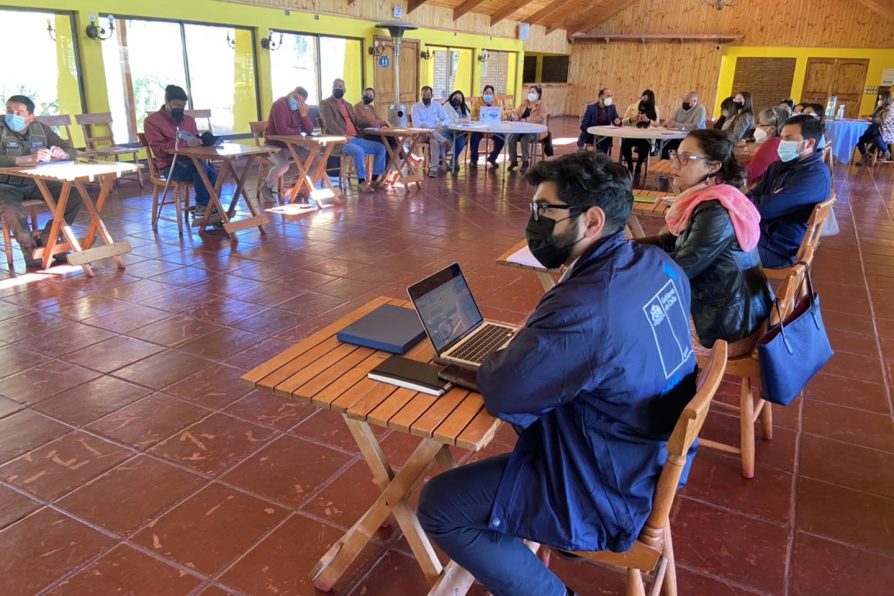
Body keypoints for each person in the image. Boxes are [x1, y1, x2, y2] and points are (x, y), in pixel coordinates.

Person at [417, 150, 698, 596]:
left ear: (591, 222)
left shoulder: (587, 305)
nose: (533, 222)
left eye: (544, 211)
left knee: (439, 504)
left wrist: (513, 352)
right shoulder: (657, 264)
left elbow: (506, 394)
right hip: (649, 455)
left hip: (604, 486)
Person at [641, 129, 773, 350]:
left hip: (730, 324)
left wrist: (629, 267)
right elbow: (674, 241)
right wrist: (627, 248)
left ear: (714, 167)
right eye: (675, 155)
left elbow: (682, 268)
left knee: (640, 333)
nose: (675, 165)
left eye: (686, 159)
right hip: (735, 308)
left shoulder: (716, 210)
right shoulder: (711, 197)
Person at [0, 94, 79, 268]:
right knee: (11, 209)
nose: (12, 116)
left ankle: (50, 239)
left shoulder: (41, 129)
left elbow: (70, 150)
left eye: (19, 112)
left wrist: (63, 153)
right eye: (9, 111)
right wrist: (25, 159)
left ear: (30, 117)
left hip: (36, 181)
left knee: (73, 194)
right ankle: (29, 249)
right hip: (5, 185)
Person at [748, 114, 831, 268]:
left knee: (719, 250)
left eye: (789, 139)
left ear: (809, 143)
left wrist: (762, 199)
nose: (782, 143)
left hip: (778, 249)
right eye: (782, 138)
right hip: (761, 234)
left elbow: (765, 209)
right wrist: (766, 198)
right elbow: (752, 195)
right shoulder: (781, 166)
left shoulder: (814, 176)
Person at [144, 85, 219, 217]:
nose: (180, 109)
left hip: (192, 162)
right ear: (166, 102)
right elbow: (159, 151)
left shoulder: (189, 120)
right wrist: (184, 143)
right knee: (202, 169)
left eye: (183, 106)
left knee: (214, 174)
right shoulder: (152, 122)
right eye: (176, 105)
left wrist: (203, 141)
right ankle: (204, 206)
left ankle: (212, 208)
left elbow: (195, 141)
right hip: (170, 166)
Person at [319, 78, 386, 192]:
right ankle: (361, 182)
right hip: (338, 142)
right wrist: (344, 136)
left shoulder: (349, 105)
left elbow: (357, 121)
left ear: (345, 90)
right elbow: (328, 122)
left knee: (381, 148)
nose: (338, 88)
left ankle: (374, 179)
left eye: (340, 86)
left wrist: (371, 123)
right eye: (336, 86)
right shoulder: (325, 103)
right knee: (358, 151)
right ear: (332, 88)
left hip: (355, 138)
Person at [261, 86, 314, 202]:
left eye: (300, 101)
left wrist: (304, 115)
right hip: (275, 145)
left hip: (292, 146)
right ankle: (266, 186)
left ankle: (298, 184)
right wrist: (299, 131)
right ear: (291, 93)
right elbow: (282, 131)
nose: (296, 102)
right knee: (283, 165)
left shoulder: (299, 109)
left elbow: (310, 130)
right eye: (295, 98)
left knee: (314, 158)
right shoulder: (280, 105)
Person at [411, 85, 451, 177]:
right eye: (424, 95)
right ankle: (444, 140)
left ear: (432, 96)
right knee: (425, 126)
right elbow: (416, 124)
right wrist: (428, 130)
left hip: (434, 133)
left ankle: (433, 170)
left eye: (428, 96)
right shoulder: (415, 107)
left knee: (434, 142)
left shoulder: (436, 105)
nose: (426, 97)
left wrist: (440, 125)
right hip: (420, 134)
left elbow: (446, 119)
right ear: (421, 95)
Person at [507, 85, 548, 172]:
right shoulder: (524, 103)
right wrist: (515, 116)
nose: (530, 94)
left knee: (525, 139)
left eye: (533, 92)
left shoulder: (541, 105)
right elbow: (517, 112)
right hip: (521, 129)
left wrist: (526, 120)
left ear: (538, 95)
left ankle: (525, 161)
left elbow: (541, 117)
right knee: (511, 138)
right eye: (529, 92)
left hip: (535, 131)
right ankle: (513, 161)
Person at [620, 89, 660, 180]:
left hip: (645, 136)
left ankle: (639, 166)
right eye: (643, 98)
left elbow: (657, 124)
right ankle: (629, 165)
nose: (644, 101)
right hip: (632, 134)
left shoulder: (655, 109)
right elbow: (623, 121)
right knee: (625, 145)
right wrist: (632, 119)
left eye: (647, 100)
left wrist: (648, 121)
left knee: (645, 146)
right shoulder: (632, 106)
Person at [746, 107, 787, 186]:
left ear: (772, 129)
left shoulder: (773, 143)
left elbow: (751, 173)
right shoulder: (778, 141)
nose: (756, 127)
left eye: (760, 124)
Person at [661, 90, 707, 158]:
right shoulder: (680, 109)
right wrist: (667, 123)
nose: (685, 101)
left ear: (695, 101)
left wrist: (675, 125)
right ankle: (665, 166)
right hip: (679, 136)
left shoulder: (700, 110)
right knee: (664, 145)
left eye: (687, 99)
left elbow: (695, 126)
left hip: (694, 138)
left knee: (674, 146)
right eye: (684, 99)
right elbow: (672, 119)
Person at [469, 85, 504, 168]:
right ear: (483, 93)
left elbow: (502, 116)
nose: (488, 95)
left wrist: (500, 117)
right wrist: (478, 118)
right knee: (474, 138)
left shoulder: (497, 104)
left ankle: (492, 158)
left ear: (493, 94)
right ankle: (474, 160)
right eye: (486, 93)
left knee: (501, 138)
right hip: (480, 129)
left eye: (490, 93)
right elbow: (471, 117)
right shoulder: (477, 103)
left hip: (493, 129)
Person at [577, 87, 621, 153]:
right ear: (601, 97)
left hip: (605, 136)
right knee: (591, 151)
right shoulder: (591, 109)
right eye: (608, 96)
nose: (610, 98)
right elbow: (583, 126)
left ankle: (602, 159)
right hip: (591, 135)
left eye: (611, 96)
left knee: (603, 149)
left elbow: (616, 119)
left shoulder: (612, 107)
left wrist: (617, 121)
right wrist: (594, 132)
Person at [856, 89, 893, 165]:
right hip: (876, 130)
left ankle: (886, 152)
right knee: (859, 140)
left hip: (887, 132)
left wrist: (871, 119)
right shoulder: (882, 107)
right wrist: (871, 117)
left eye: (881, 99)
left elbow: (883, 121)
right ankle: (865, 155)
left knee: (877, 139)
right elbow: (875, 116)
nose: (880, 100)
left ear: (885, 99)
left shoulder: (891, 109)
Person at [443, 90, 471, 174]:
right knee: (447, 143)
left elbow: (468, 118)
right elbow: (448, 120)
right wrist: (461, 120)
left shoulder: (463, 107)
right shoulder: (446, 106)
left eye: (460, 98)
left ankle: (454, 159)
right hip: (447, 131)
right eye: (456, 97)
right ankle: (442, 161)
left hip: (458, 132)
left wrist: (463, 120)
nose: (457, 99)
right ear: (452, 97)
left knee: (461, 142)